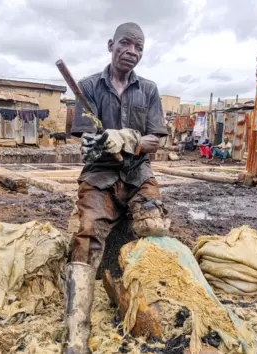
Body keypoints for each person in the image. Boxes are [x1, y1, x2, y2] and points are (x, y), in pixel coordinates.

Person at [67, 22, 170, 354]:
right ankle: (75, 330)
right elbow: (87, 146)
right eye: (126, 44)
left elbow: (155, 143)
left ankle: (150, 302)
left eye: (139, 47)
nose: (132, 52)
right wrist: (115, 142)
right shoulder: (88, 87)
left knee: (155, 226)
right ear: (111, 44)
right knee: (86, 234)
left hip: (138, 174)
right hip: (100, 176)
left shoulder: (149, 90)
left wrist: (125, 140)